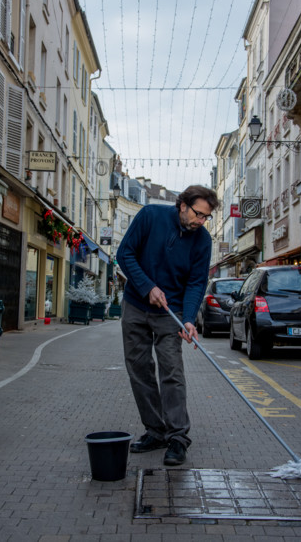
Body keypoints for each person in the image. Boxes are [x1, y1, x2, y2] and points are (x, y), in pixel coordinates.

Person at [116, 185, 219, 465]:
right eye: (198, 214)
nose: (201, 221)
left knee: (172, 372)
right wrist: (148, 286)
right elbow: (125, 254)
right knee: (139, 370)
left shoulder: (203, 241)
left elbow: (197, 282)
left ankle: (177, 438)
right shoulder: (150, 216)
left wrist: (187, 318)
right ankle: (155, 431)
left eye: (206, 217)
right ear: (182, 205)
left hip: (169, 311)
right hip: (137, 304)